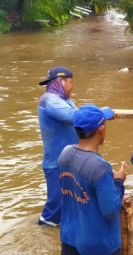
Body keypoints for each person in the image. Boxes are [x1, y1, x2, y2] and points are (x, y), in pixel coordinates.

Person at [58, 104, 124, 255]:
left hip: (69, 240)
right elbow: (111, 210)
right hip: (98, 246)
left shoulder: (65, 154)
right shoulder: (99, 167)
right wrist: (118, 182)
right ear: (101, 129)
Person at [37, 66, 78, 226]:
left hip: (68, 162)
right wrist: (96, 113)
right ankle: (41, 240)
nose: (72, 86)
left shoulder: (64, 100)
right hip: (56, 165)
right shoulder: (50, 100)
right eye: (70, 82)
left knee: (72, 204)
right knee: (55, 209)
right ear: (61, 81)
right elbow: (74, 117)